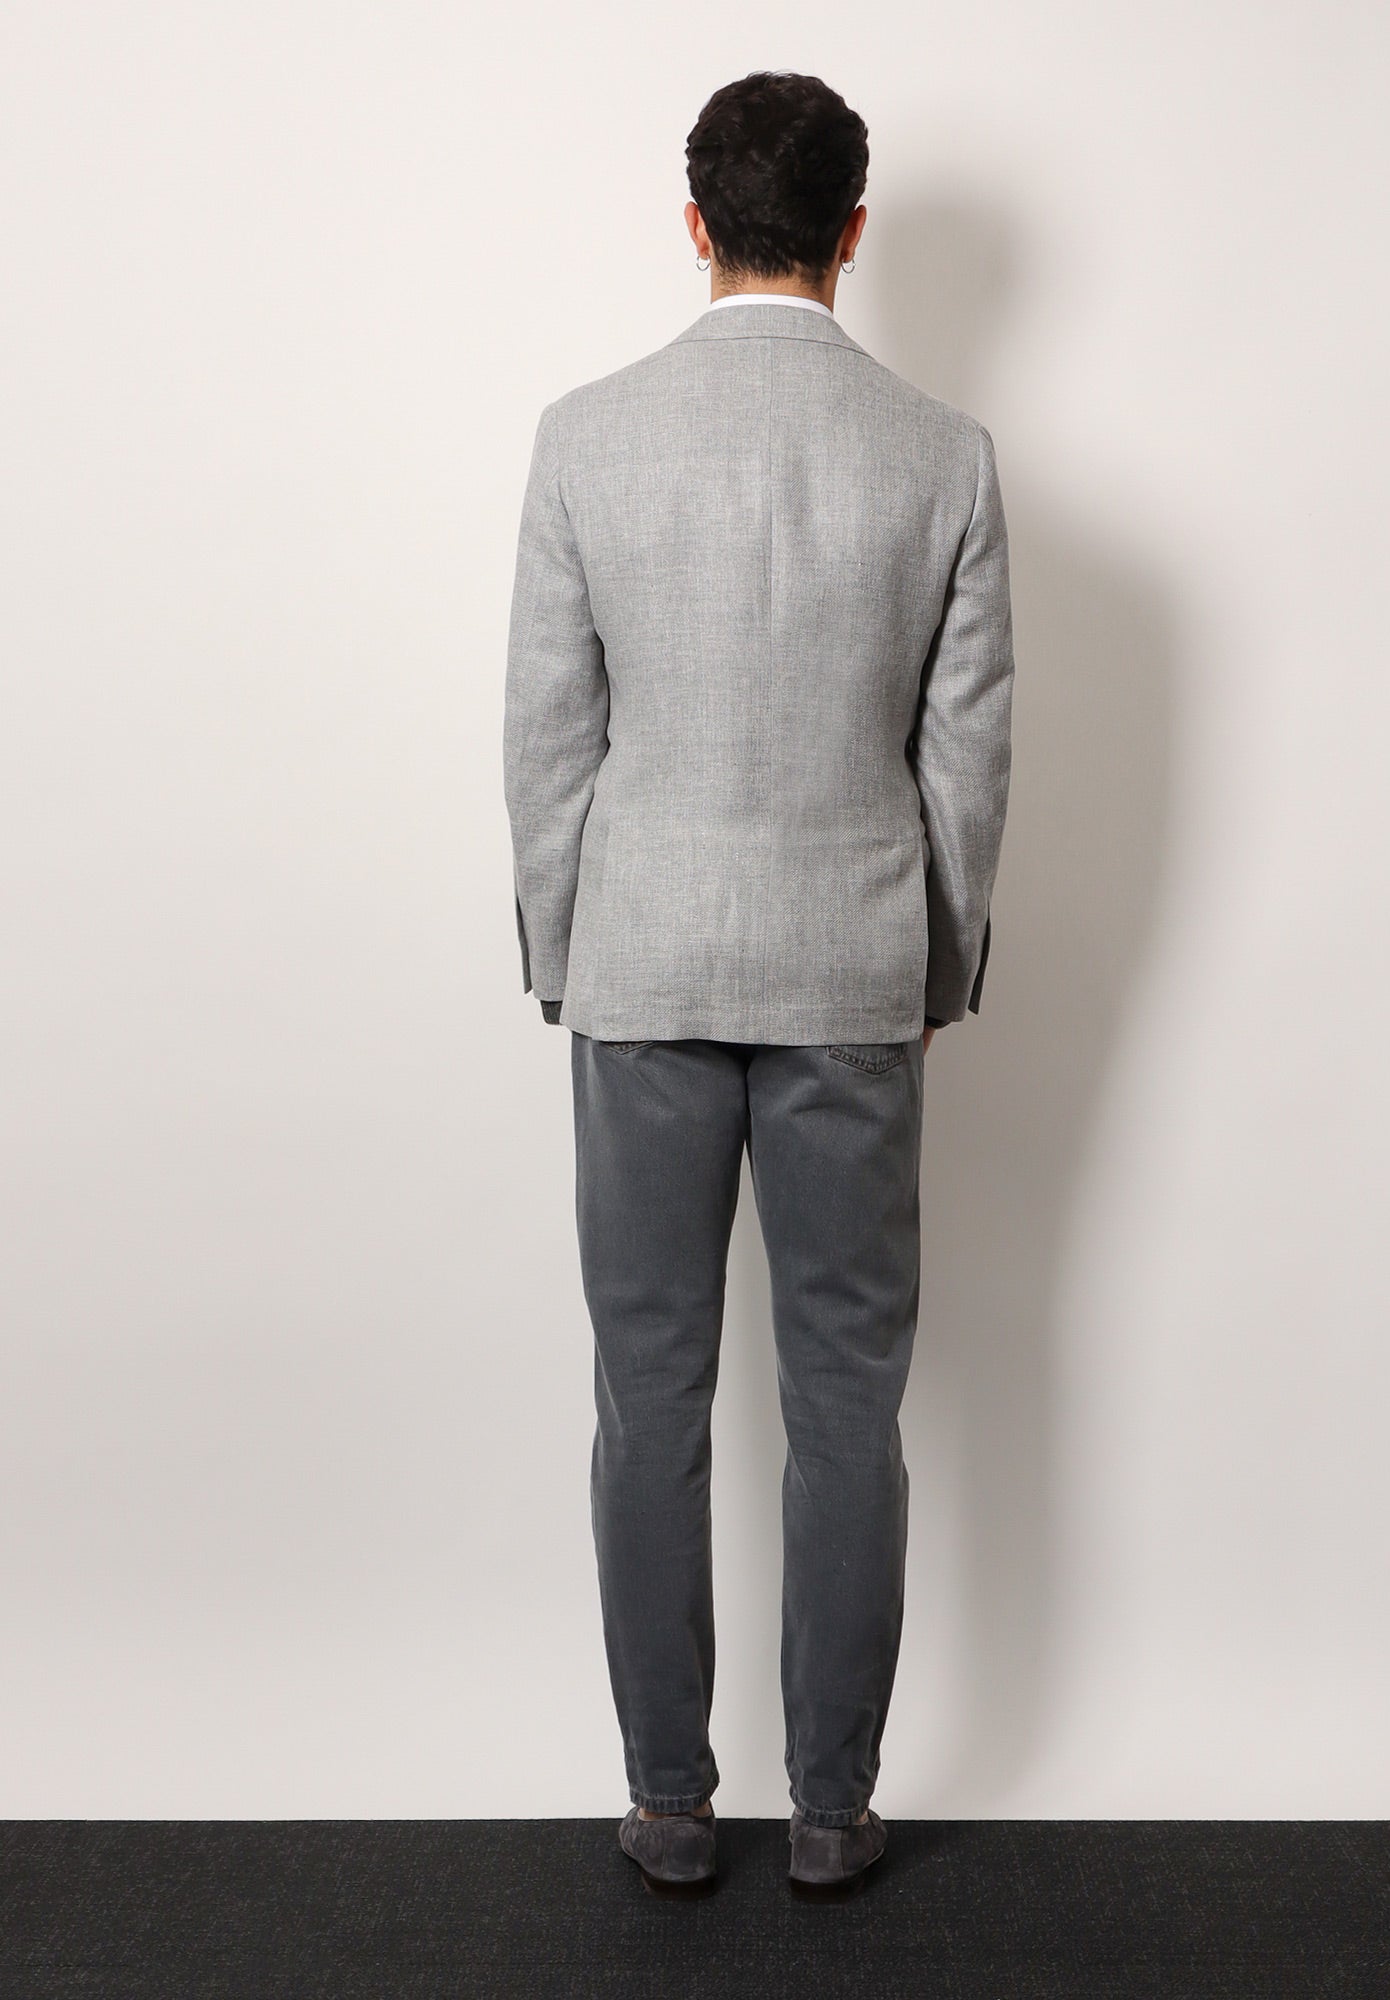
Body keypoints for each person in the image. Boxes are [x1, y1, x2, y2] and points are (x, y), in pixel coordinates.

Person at [503, 70, 1015, 1899]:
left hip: (639, 965)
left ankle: (666, 1801)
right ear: (852, 232)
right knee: (848, 1404)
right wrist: (933, 958)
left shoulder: (587, 438)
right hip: (852, 975)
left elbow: (547, 741)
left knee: (647, 1395)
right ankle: (831, 1809)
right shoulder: (942, 456)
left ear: (695, 222)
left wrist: (565, 950)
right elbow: (968, 760)